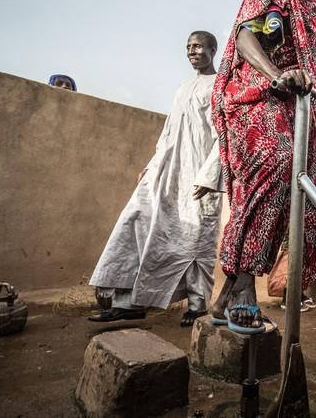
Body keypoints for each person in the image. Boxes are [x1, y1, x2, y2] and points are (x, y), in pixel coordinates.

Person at [210, 0, 316, 331]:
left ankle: (227, 294)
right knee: (275, 163)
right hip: (253, 92)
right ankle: (245, 287)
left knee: (285, 186)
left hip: (292, 105)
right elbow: (246, 37)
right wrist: (275, 75)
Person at [88, 31, 223, 327]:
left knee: (195, 240)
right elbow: (168, 133)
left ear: (213, 50)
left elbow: (224, 136)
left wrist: (209, 176)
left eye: (198, 46)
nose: (192, 51)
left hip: (197, 177)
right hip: (165, 173)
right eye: (188, 47)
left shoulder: (220, 86)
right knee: (137, 222)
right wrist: (151, 166)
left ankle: (198, 305)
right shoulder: (183, 87)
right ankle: (128, 303)